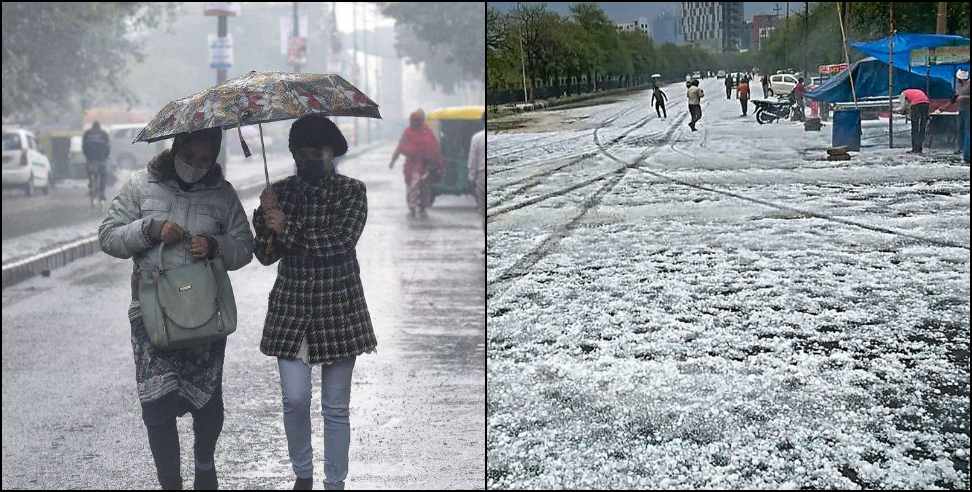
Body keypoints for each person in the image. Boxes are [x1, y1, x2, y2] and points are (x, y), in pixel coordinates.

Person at [98, 127, 255, 490]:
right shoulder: (140, 185)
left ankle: (204, 468)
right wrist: (149, 230)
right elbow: (108, 236)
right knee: (156, 403)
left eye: (206, 160)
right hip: (152, 314)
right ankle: (170, 482)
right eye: (191, 158)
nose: (197, 166)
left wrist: (215, 245)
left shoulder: (223, 194)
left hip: (204, 313)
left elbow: (244, 247)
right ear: (176, 148)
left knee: (207, 401)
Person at [253, 114, 378, 491]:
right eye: (302, 152)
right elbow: (264, 255)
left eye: (318, 152)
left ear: (333, 152)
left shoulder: (352, 191)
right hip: (291, 311)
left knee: (335, 407)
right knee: (294, 399)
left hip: (339, 309)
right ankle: (302, 474)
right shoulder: (281, 193)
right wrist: (265, 220)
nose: (310, 159)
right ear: (292, 153)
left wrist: (288, 227)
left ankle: (334, 482)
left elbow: (339, 243)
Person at [389, 110, 444, 218]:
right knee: (412, 186)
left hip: (426, 165)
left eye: (418, 120)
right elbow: (400, 146)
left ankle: (423, 206)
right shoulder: (408, 132)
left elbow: (434, 148)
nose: (416, 122)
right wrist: (393, 160)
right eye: (414, 120)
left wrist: (437, 163)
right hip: (412, 166)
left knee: (425, 187)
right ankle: (412, 206)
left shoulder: (427, 131)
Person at [83, 121, 111, 207]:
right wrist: (106, 157)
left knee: (90, 173)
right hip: (101, 159)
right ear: (99, 127)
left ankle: (91, 185)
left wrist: (87, 157)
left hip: (90, 160)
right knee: (103, 175)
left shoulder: (87, 133)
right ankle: (102, 193)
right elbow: (108, 147)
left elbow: (83, 147)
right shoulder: (104, 134)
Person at [468, 112, 486, 235]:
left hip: (481, 176)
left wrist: (471, 177)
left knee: (483, 209)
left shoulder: (477, 138)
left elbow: (472, 159)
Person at [897, 87, 931, 154]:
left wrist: (900, 111)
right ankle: (920, 148)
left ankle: (914, 149)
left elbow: (903, 106)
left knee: (915, 128)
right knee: (922, 127)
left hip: (916, 104)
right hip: (926, 103)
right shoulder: (915, 92)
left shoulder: (903, 94)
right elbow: (909, 105)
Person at [954, 69, 970, 163]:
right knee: (960, 129)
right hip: (961, 110)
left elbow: (961, 96)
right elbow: (955, 97)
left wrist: (964, 97)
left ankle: (967, 154)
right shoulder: (959, 86)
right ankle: (960, 148)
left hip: (968, 110)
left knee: (968, 131)